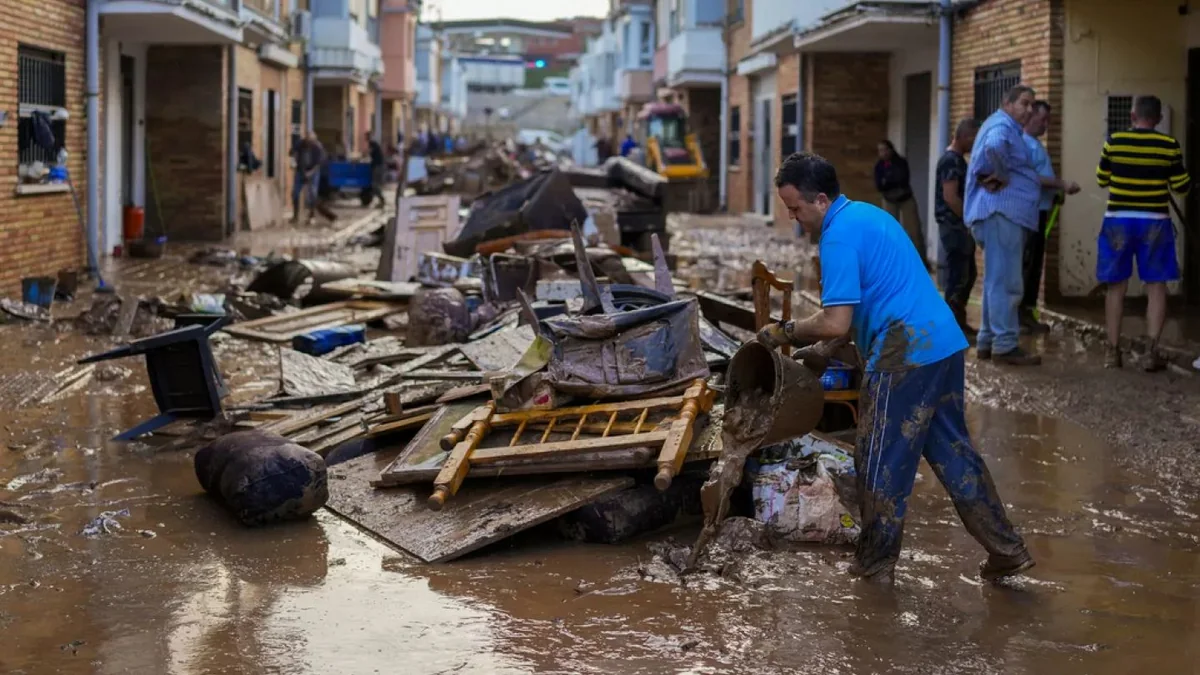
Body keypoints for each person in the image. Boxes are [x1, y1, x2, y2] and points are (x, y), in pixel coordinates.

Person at [761, 152, 1033, 583]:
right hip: (941, 343)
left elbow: (836, 319)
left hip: (903, 352)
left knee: (879, 460)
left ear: (821, 200)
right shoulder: (869, 216)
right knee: (954, 453)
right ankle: (1007, 550)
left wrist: (786, 332)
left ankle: (875, 565)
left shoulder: (837, 239)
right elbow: (866, 305)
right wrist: (825, 350)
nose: (795, 219)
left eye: (795, 208)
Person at [1095, 95, 1191, 370]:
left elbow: (1102, 179)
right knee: (1156, 286)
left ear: (1132, 115)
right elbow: (1181, 187)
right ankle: (1151, 353)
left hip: (1118, 222)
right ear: (1159, 119)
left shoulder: (1114, 141)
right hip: (1154, 223)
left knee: (1116, 286)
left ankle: (1112, 352)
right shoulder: (1168, 145)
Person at [965, 84, 1042, 366]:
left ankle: (988, 339)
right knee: (1007, 282)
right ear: (1007, 103)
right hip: (1002, 214)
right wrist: (1000, 173)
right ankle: (1005, 344)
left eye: (1032, 105)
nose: (1029, 110)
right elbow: (994, 147)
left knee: (995, 281)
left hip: (999, 215)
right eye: (1024, 103)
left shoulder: (1002, 125)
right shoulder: (1002, 126)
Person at [1021, 101, 1080, 333]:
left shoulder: (1035, 144)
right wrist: (1061, 184)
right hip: (1030, 214)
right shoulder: (1024, 144)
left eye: (1048, 121)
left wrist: (1055, 194)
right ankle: (1021, 317)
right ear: (1030, 117)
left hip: (1041, 210)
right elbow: (1031, 177)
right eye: (1042, 119)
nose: (1046, 125)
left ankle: (1027, 313)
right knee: (1028, 265)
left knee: (1035, 265)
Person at [935, 119, 980, 336]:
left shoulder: (958, 161)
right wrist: (968, 219)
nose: (974, 145)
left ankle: (957, 323)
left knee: (967, 274)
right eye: (973, 139)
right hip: (954, 227)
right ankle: (951, 327)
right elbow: (950, 197)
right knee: (959, 276)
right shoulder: (951, 161)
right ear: (964, 137)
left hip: (958, 226)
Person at [874, 140, 926, 259]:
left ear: (891, 149)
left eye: (885, 149)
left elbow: (902, 179)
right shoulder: (879, 166)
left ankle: (920, 260)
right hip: (889, 199)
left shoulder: (900, 162)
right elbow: (879, 185)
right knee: (889, 231)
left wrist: (887, 180)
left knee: (914, 230)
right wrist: (889, 181)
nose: (883, 153)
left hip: (905, 198)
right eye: (881, 151)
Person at [291, 131, 325, 225]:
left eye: (311, 142)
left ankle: (311, 216)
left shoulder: (318, 148)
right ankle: (295, 216)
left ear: (314, 141)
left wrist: (309, 173)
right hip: (300, 170)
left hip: (313, 171)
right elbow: (293, 152)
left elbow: (318, 165)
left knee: (312, 194)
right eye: (307, 141)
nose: (309, 144)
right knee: (295, 193)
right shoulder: (300, 144)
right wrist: (294, 161)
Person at [365, 132, 386, 209]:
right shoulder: (375, 143)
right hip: (379, 165)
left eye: (366, 136)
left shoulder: (372, 143)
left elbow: (369, 152)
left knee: (375, 184)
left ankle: (382, 200)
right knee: (375, 185)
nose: (365, 138)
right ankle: (380, 200)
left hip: (377, 166)